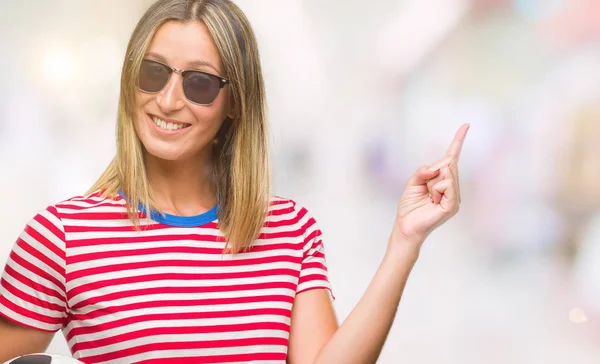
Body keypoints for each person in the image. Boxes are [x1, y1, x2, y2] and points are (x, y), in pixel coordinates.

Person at [0, 0, 469, 363]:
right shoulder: (62, 235)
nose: (167, 100)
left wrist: (406, 240)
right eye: (153, 72)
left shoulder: (289, 229)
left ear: (235, 103)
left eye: (199, 83)